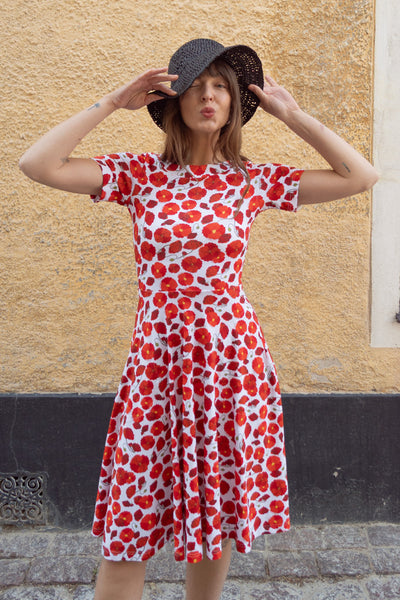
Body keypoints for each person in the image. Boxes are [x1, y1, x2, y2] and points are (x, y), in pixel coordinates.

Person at [19, 38, 378, 600]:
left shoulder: (251, 180)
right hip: (158, 363)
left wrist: (292, 115)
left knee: (219, 510)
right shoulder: (139, 174)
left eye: (221, 88)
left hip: (231, 361)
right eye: (197, 87)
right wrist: (112, 102)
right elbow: (36, 164)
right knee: (129, 523)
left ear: (233, 104)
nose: (209, 97)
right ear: (175, 101)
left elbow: (360, 175)